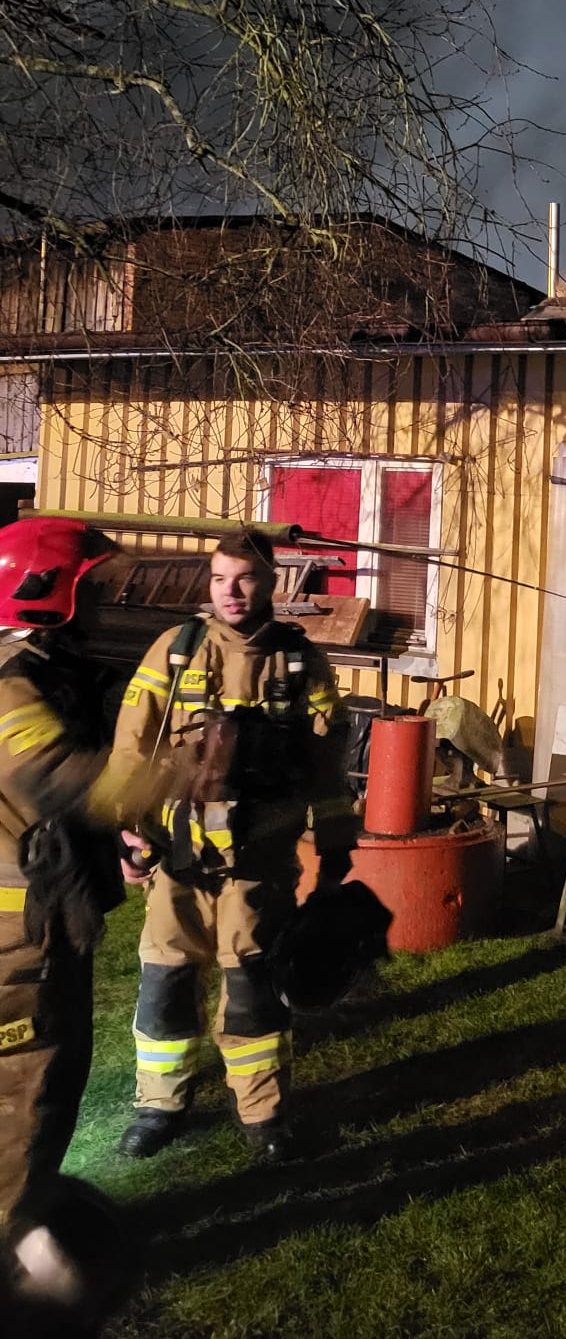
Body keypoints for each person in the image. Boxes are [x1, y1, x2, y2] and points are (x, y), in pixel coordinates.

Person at [113, 529, 357, 1163]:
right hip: (179, 857)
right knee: (165, 981)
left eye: (245, 578)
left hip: (260, 860)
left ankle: (263, 1113)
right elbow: (133, 744)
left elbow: (327, 765)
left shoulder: (300, 663)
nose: (231, 592)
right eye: (220, 578)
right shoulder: (177, 650)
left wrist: (336, 845)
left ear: (270, 582)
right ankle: (158, 1106)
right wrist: (126, 827)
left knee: (252, 989)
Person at [0, 516, 171, 1328]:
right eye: (92, 590)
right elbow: (59, 779)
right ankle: (15, 1281)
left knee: (53, 1088)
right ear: (43, 595)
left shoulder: (45, 676)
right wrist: (176, 776)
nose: (107, 603)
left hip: (44, 931)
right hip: (15, 945)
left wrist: (118, 846)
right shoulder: (10, 689)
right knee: (21, 1106)